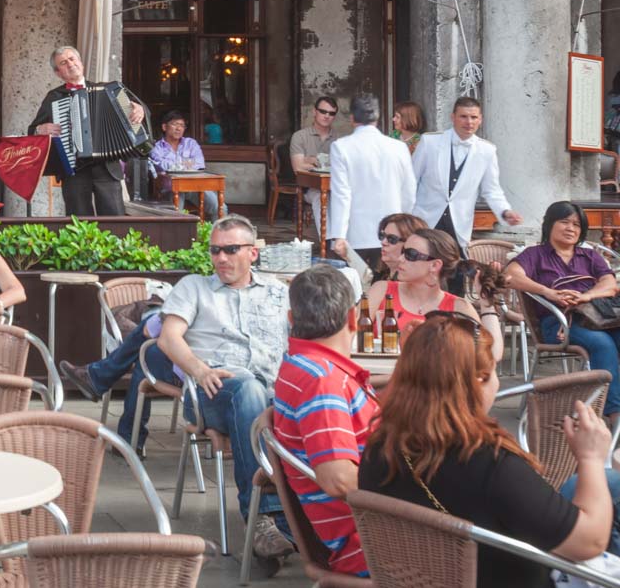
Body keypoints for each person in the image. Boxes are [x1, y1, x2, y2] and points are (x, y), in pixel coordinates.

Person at [358, 313, 615, 588]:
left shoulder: (378, 450)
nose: (497, 383)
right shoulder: (490, 463)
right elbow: (590, 542)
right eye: (493, 371)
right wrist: (591, 458)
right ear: (478, 380)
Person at [132, 215, 292, 565]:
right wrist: (200, 370)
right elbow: (168, 337)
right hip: (214, 393)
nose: (221, 258)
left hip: (275, 397)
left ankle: (317, 522)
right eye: (215, 250)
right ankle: (263, 517)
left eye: (231, 250)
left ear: (252, 253)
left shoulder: (280, 292)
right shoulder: (194, 287)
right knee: (248, 388)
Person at [272, 265, 381, 579]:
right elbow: (339, 480)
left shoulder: (300, 366)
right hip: (374, 539)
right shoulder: (323, 382)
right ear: (352, 319)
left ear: (292, 320)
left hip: (371, 527)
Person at [505, 202, 620, 425]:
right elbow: (511, 276)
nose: (571, 228)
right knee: (603, 344)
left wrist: (586, 296)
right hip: (558, 324)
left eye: (577, 224)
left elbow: (609, 284)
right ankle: (615, 413)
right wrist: (549, 292)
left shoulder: (589, 256)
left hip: (598, 318)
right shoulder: (534, 255)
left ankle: (608, 402)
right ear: (549, 224)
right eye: (564, 222)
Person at [28, 45, 146, 218]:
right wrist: (40, 129)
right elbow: (32, 131)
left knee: (115, 219)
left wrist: (140, 110)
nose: (69, 64)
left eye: (72, 59)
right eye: (63, 62)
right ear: (58, 73)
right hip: (75, 170)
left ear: (81, 63)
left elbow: (137, 113)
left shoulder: (110, 90)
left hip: (107, 167)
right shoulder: (54, 97)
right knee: (78, 222)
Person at [412, 96, 522, 249]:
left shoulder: (487, 150)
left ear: (480, 119)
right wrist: (406, 215)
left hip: (458, 226)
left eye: (473, 117)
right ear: (453, 117)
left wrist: (505, 211)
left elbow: (492, 190)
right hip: (425, 221)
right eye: (463, 116)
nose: (469, 122)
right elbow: (411, 180)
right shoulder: (429, 142)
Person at [327, 94, 416, 270]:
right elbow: (409, 192)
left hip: (355, 231)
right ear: (377, 117)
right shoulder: (398, 147)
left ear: (352, 118)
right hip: (392, 232)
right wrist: (403, 225)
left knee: (354, 288)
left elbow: (341, 194)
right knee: (388, 288)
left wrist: (338, 235)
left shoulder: (342, 146)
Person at [367, 225, 483, 335]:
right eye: (403, 251)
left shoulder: (459, 307)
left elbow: (488, 353)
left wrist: (487, 304)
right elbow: (351, 333)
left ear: (435, 265)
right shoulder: (382, 290)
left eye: (410, 254)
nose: (400, 258)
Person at [148, 109, 219, 219]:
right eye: (175, 124)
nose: (179, 128)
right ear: (164, 127)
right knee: (175, 214)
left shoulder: (191, 143)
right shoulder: (156, 147)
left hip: (194, 186)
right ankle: (177, 235)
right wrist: (187, 163)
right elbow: (161, 165)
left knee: (219, 207)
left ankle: (217, 234)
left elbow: (200, 164)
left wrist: (175, 165)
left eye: (182, 125)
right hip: (170, 187)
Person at [290, 95, 340, 232]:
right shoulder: (300, 136)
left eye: (331, 113)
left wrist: (310, 160)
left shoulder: (339, 140)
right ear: (314, 112)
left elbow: (345, 168)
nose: (326, 116)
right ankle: (328, 242)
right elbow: (298, 167)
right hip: (309, 188)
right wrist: (323, 164)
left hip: (335, 187)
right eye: (323, 111)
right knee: (320, 197)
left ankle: (348, 242)